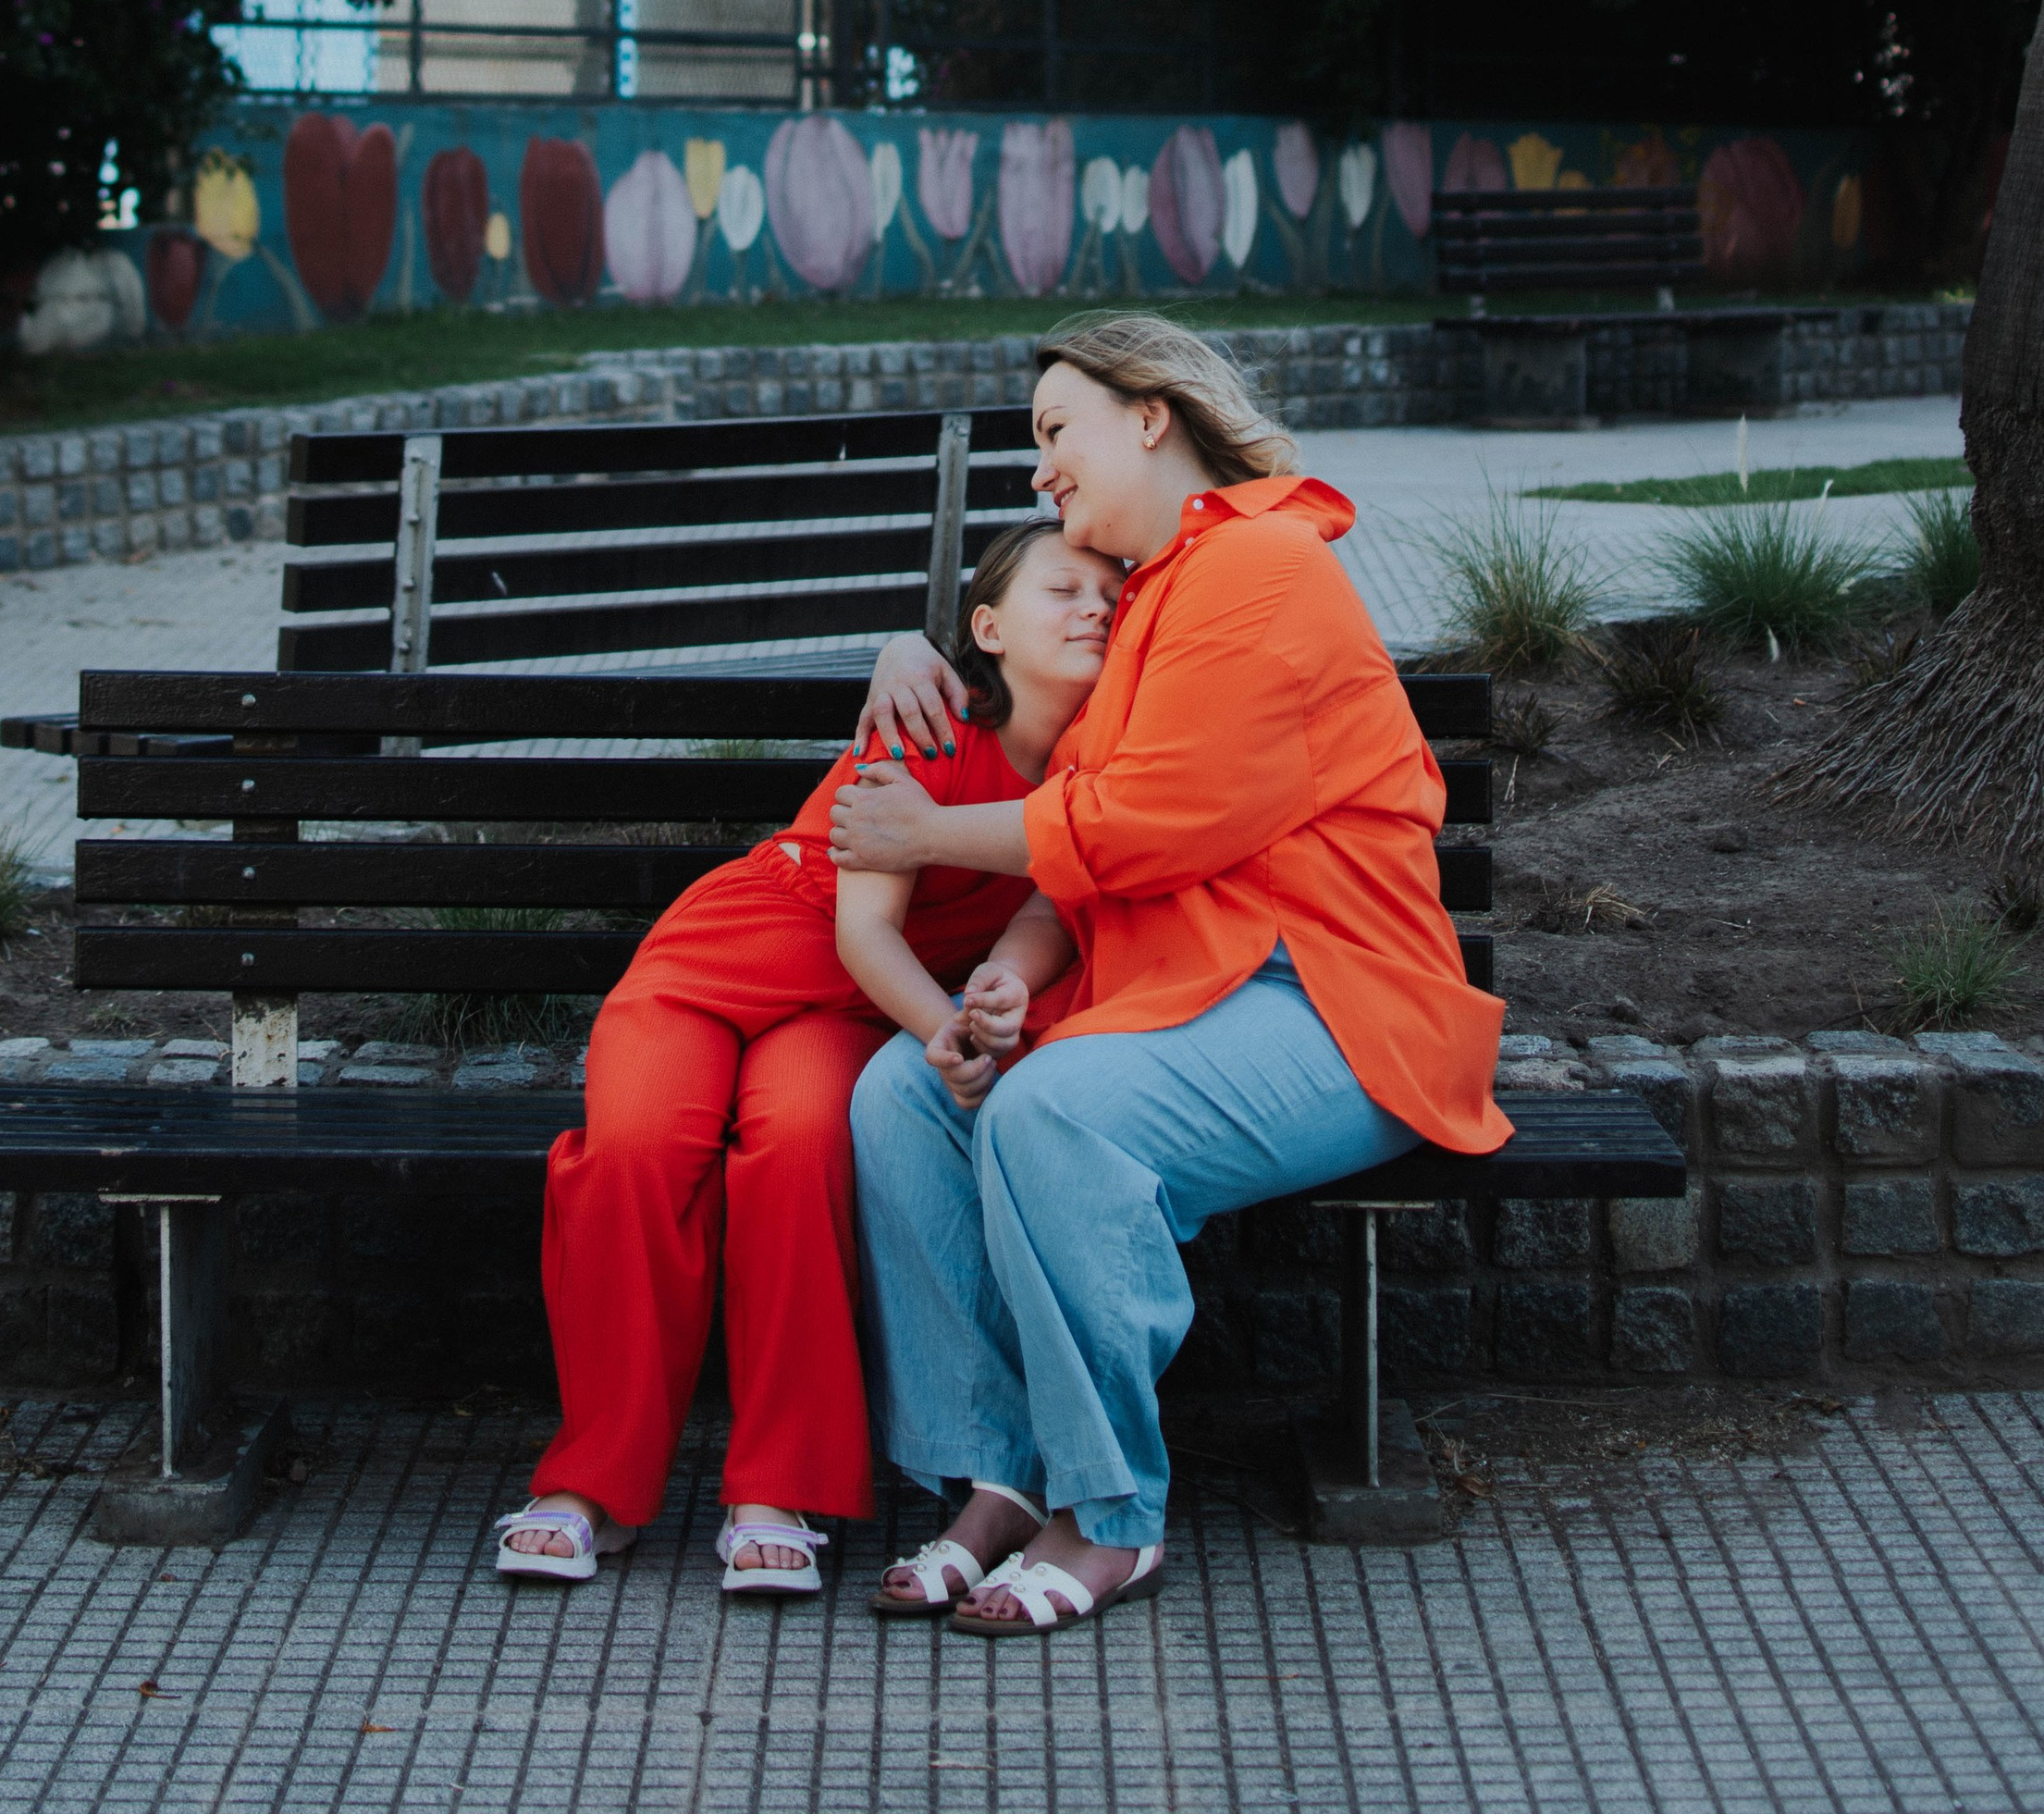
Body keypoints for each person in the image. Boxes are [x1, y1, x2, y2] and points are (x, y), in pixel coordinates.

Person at [831, 311, 1509, 1640]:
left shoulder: (1262, 568)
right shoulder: (1152, 596)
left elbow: (1151, 822)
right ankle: (997, 1479)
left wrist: (923, 835)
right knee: (902, 1094)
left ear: (1150, 418)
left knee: (1052, 1113)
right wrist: (1007, 976)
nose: (1041, 469)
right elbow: (1079, 851)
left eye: (1056, 431)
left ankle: (1112, 1515)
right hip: (1188, 999)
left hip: (1334, 1008)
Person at [492, 517, 1126, 1599]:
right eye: (1063, 590)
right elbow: (860, 927)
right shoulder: (927, 721)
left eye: (1109, 596)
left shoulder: (1100, 768)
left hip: (847, 1010)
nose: (1094, 610)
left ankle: (775, 1489)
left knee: (798, 1151)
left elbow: (1048, 910)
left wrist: (986, 1002)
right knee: (637, 1148)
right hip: (737, 957)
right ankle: (589, 1485)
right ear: (987, 628)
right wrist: (941, 1030)